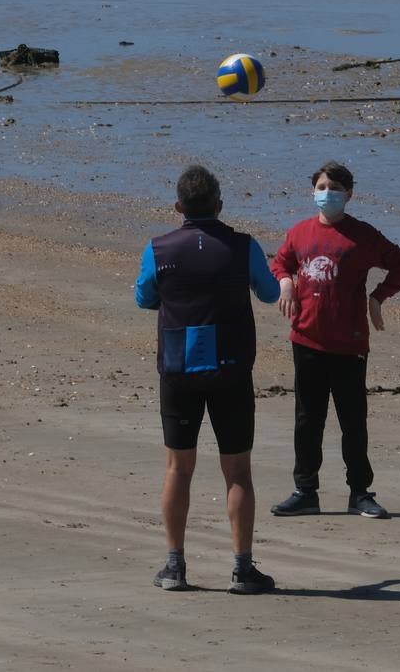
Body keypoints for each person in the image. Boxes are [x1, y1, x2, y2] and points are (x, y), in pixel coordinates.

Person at [134, 165, 280, 594]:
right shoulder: (242, 245)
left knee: (179, 468)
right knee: (237, 470)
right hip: (230, 367)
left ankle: (175, 566)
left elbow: (144, 297)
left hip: (180, 367)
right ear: (219, 205)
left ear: (178, 207)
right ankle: (243, 568)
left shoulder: (159, 248)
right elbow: (270, 293)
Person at [270, 161, 400, 520]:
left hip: (349, 344)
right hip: (306, 339)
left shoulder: (363, 236)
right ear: (312, 191)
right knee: (308, 419)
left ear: (349, 195)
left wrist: (378, 297)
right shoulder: (300, 232)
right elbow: (279, 262)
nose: (327, 194)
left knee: (353, 420)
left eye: (334, 189)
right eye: (321, 187)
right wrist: (286, 282)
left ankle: (360, 493)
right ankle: (305, 491)